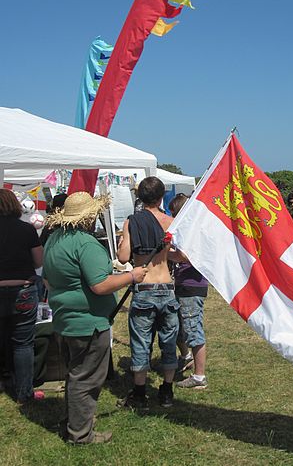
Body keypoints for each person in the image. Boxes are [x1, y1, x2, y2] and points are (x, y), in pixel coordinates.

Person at [42, 191, 147, 445]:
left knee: (75, 373)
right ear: (89, 217)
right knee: (86, 378)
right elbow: (100, 285)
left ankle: (74, 421)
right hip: (88, 322)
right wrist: (132, 276)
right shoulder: (86, 244)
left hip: (65, 319)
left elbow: (46, 279)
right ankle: (80, 433)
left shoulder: (54, 239)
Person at [118, 176, 179, 408]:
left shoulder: (132, 221)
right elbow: (181, 255)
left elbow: (123, 257)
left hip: (144, 288)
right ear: (161, 197)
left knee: (141, 342)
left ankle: (140, 393)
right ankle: (166, 392)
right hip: (167, 287)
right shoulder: (170, 222)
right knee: (169, 341)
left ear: (139, 197)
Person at [0, 188, 43, 403]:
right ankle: (24, 392)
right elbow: (38, 262)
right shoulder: (26, 230)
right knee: (23, 343)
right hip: (23, 289)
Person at [168, 193, 208, 390]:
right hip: (183, 284)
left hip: (193, 285)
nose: (173, 217)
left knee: (193, 329)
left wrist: (165, 252)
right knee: (177, 327)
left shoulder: (193, 231)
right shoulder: (187, 230)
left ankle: (199, 376)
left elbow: (185, 256)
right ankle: (186, 357)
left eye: (174, 213)